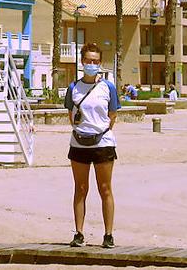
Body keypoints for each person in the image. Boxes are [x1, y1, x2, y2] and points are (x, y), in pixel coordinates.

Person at [64, 42, 121, 248]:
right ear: (82, 61)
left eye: (95, 61)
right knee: (80, 188)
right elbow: (71, 114)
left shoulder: (108, 87)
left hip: (103, 143)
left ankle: (108, 234)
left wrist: (101, 130)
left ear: (100, 63)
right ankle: (79, 232)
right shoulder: (73, 88)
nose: (91, 64)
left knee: (105, 188)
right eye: (88, 60)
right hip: (79, 143)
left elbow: (112, 114)